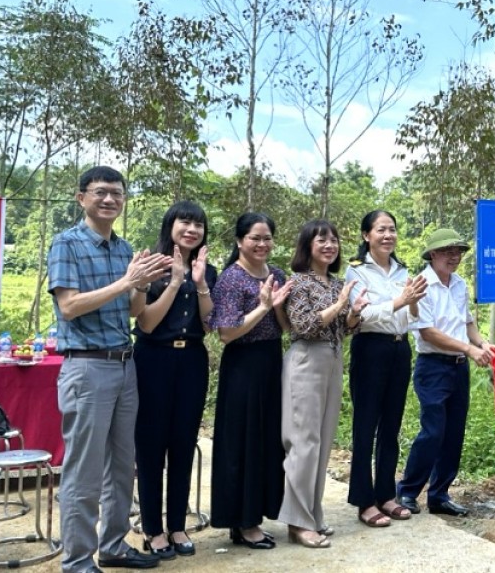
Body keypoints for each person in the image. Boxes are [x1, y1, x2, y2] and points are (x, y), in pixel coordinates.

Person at [48, 165, 171, 572]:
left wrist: (138, 285)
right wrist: (125, 282)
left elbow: (135, 312)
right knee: (83, 471)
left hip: (124, 365)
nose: (110, 200)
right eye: (101, 192)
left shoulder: (125, 249)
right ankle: (78, 560)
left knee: (122, 465)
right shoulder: (66, 245)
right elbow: (68, 307)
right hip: (86, 368)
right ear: (81, 197)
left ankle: (113, 548)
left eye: (117, 193)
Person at [132, 201, 216, 559]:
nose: (192, 229)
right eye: (185, 222)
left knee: (183, 444)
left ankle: (177, 525)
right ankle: (153, 530)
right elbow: (146, 323)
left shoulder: (208, 271)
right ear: (170, 225)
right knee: (151, 447)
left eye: (198, 224)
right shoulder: (151, 264)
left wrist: (198, 284)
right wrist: (175, 282)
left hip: (193, 360)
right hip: (153, 359)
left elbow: (210, 323)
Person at [278, 219, 369, 548]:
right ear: (308, 246)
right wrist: (340, 302)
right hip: (306, 361)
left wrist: (354, 313)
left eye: (334, 240)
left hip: (332, 360)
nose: (330, 246)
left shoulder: (335, 283)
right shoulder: (299, 282)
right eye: (322, 241)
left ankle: (312, 514)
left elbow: (341, 329)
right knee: (303, 442)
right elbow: (302, 326)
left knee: (323, 441)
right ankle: (297, 522)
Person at [396, 228, 495, 517]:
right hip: (433, 367)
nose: (454, 257)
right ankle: (408, 491)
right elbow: (428, 334)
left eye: (459, 252)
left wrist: (482, 343)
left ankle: (439, 495)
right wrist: (469, 349)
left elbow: (467, 322)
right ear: (433, 254)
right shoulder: (420, 285)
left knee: (453, 433)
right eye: (448, 251)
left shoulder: (459, 284)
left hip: (458, 368)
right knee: (433, 430)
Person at [209, 212, 294, 550]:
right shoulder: (231, 279)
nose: (262, 244)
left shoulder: (276, 273)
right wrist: (263, 307)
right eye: (255, 238)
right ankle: (243, 522)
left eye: (267, 238)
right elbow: (227, 333)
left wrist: (275, 306)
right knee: (242, 441)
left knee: (266, 441)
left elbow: (285, 326)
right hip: (243, 366)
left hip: (272, 361)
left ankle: (256, 513)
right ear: (239, 241)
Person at [344, 211, 427, 527]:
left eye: (392, 229)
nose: (388, 235)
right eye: (381, 230)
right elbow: (360, 317)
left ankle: (386, 495)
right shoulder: (357, 272)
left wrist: (413, 301)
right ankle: (364, 501)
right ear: (367, 235)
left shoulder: (402, 271)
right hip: (370, 349)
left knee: (391, 424)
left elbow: (411, 317)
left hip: (399, 348)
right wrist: (400, 300)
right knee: (366, 425)